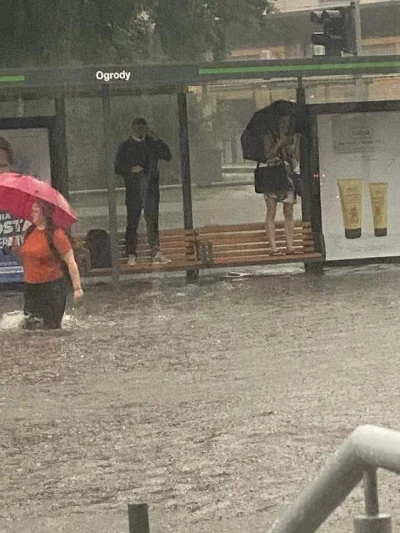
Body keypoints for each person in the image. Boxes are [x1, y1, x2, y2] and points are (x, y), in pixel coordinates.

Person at [13, 200, 84, 330]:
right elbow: (30, 258)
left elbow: (70, 261)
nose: (31, 214)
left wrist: (77, 288)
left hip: (52, 288)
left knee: (51, 329)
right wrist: (16, 250)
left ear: (44, 213)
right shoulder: (30, 232)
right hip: (31, 288)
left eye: (35, 211)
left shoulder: (56, 234)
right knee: (30, 328)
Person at [114, 117, 172, 266]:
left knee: (152, 220)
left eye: (144, 129)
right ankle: (131, 253)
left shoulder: (151, 144)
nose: (141, 132)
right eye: (139, 129)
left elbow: (167, 155)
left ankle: (156, 251)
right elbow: (118, 167)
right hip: (134, 189)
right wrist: (131, 169)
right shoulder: (125, 146)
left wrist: (157, 140)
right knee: (133, 221)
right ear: (133, 129)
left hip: (151, 188)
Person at [262, 111, 302, 256]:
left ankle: (290, 246)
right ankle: (273, 248)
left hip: (288, 176)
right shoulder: (269, 136)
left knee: (289, 211)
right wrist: (279, 143)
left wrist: (293, 147)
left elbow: (297, 157)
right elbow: (268, 155)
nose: (285, 124)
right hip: (272, 175)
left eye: (288, 122)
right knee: (271, 210)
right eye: (282, 121)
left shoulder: (295, 137)